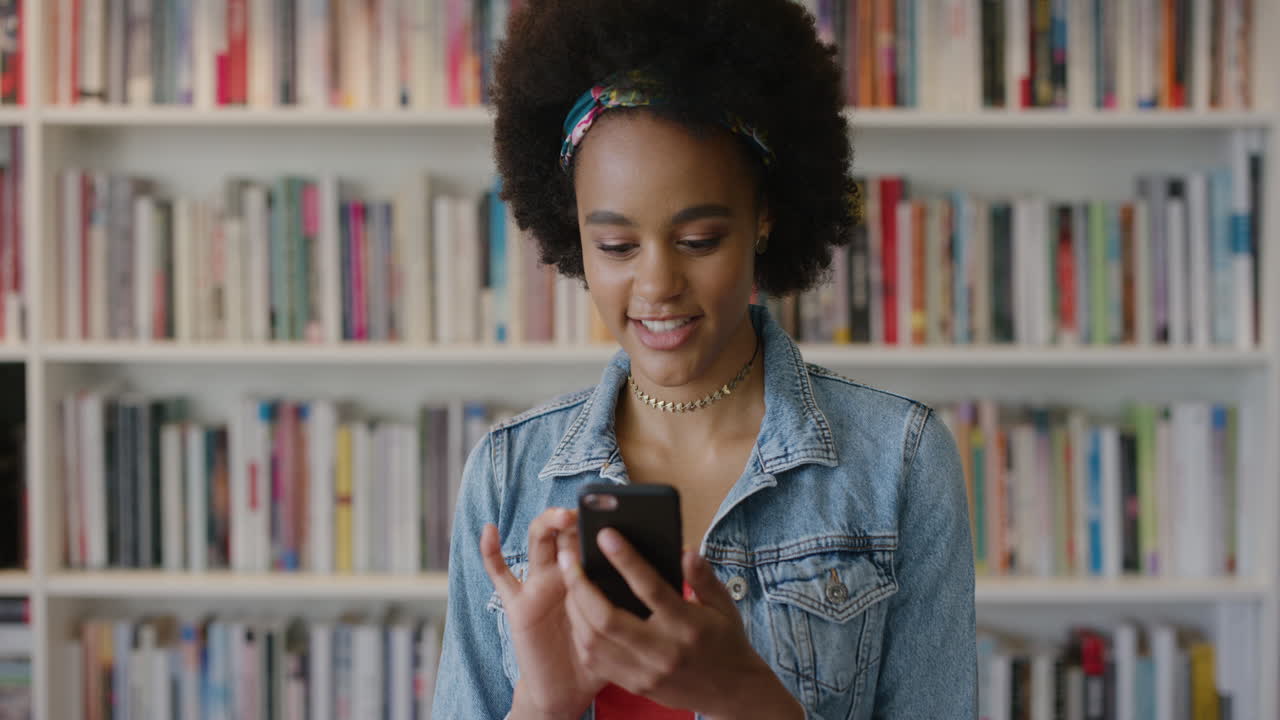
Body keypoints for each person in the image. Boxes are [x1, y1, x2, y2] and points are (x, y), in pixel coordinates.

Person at [431, 0, 976, 717]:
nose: (656, 285)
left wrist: (748, 699)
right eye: (618, 246)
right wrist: (544, 705)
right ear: (574, 233)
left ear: (764, 217)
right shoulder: (507, 472)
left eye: (699, 240)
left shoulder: (898, 464)